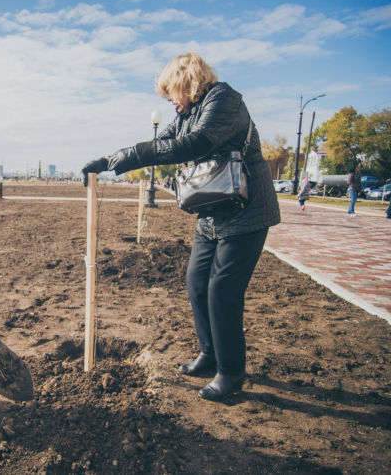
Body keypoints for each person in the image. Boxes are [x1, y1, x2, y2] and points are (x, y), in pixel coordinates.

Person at [82, 52, 280, 401]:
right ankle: (210, 354)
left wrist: (127, 158)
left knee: (223, 291)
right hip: (212, 212)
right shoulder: (186, 112)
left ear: (187, 81)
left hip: (247, 211)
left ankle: (231, 372)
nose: (170, 100)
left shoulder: (224, 100)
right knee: (196, 282)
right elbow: (161, 144)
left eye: (171, 91)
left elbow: (192, 144)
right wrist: (112, 160)